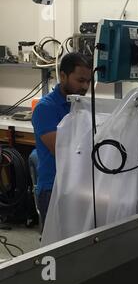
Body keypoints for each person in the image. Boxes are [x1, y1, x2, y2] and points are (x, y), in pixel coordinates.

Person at [32, 53, 92, 226]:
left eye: (88, 81)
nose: (85, 86)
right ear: (63, 76)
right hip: (54, 189)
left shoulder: (81, 106)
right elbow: (61, 149)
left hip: (78, 187)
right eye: (80, 80)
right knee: (56, 248)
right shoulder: (45, 108)